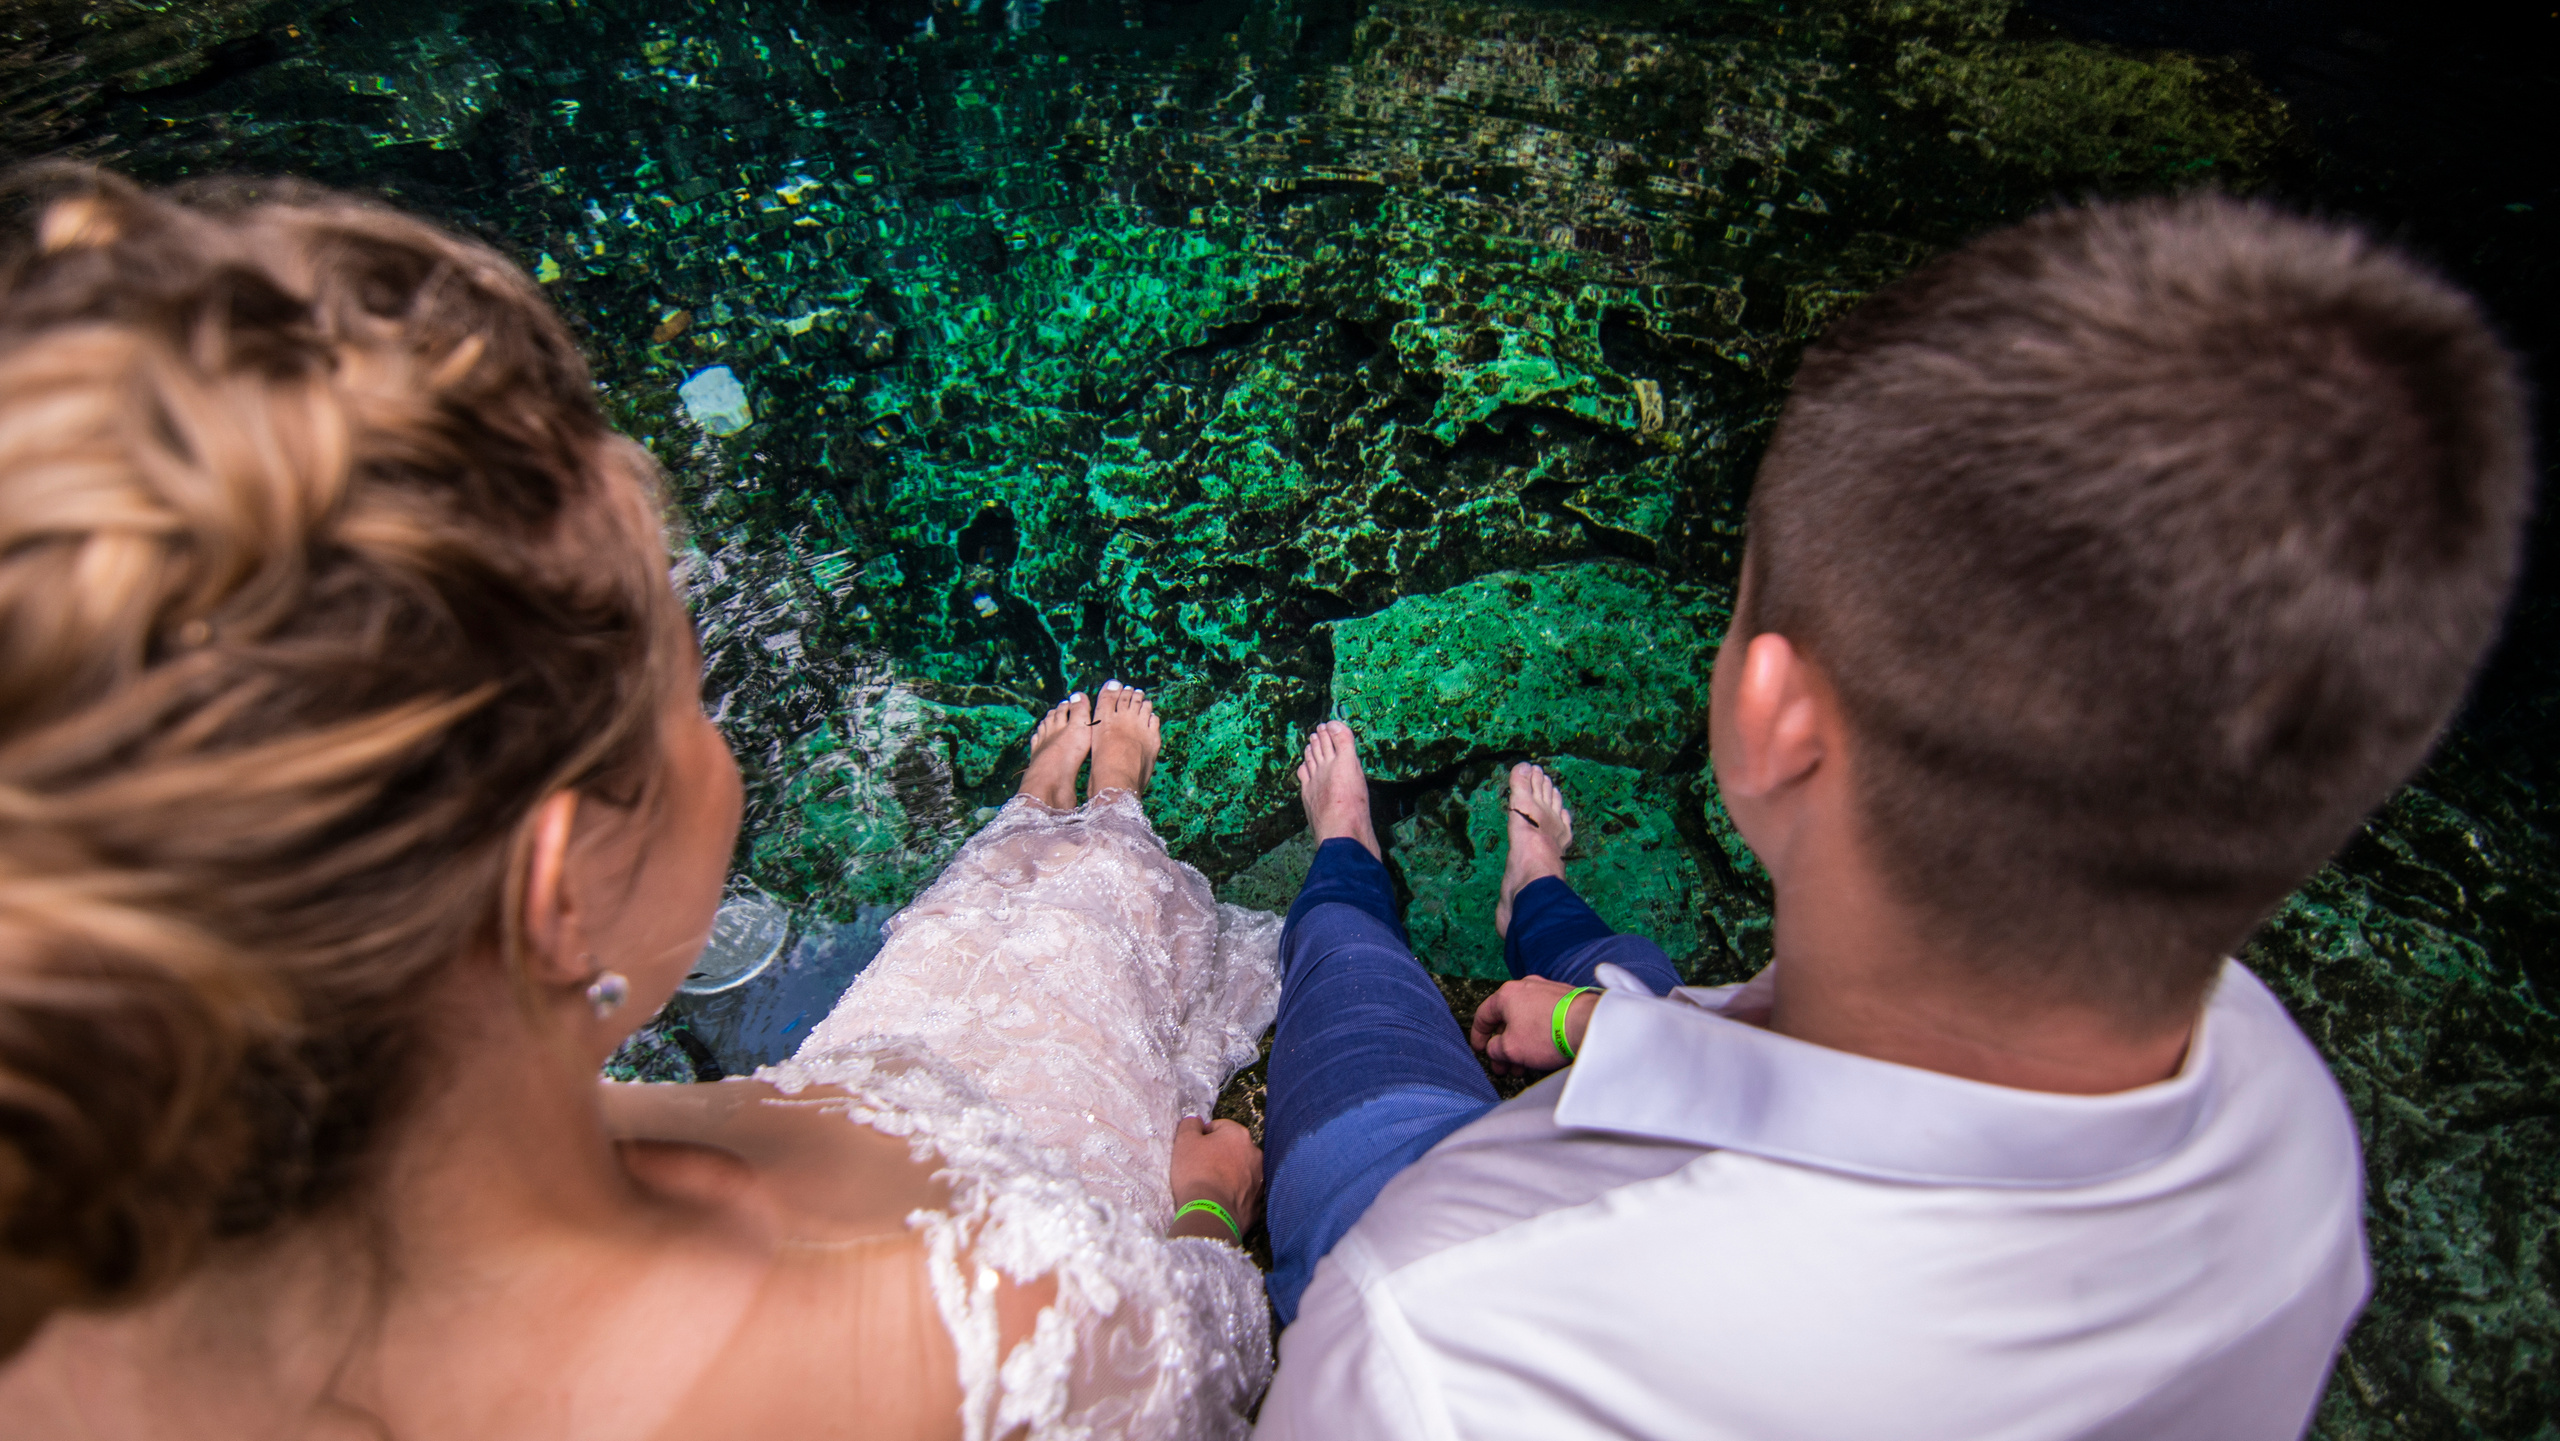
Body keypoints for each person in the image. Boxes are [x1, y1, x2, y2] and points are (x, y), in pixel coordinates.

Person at [0, 170, 1275, 1440]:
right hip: (1078, 1163)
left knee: (968, 929)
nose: (709, 731)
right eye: (689, 690)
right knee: (1086, 930)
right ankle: (1108, 810)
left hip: (907, 1062)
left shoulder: (183, 1232)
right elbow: (1205, 1366)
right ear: (557, 896)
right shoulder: (976, 1331)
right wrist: (1205, 1210)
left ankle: (1034, 820)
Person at [1253, 195, 2535, 1439]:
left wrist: (1207, 1221)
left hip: (1409, 1203)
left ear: (1775, 720)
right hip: (1676, 1090)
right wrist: (1599, 1030)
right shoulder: (2295, 1146)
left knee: (1354, 969)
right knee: (1629, 983)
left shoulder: (1430, 1343)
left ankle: (1350, 859)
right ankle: (1541, 902)